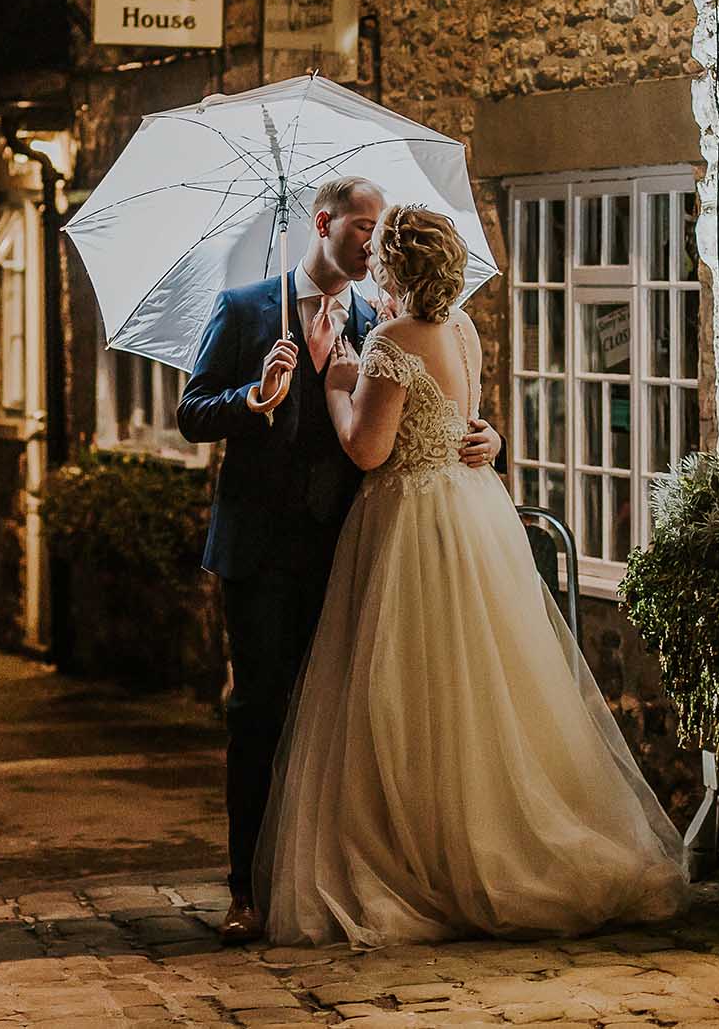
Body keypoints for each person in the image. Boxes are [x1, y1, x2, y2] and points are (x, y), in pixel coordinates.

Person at [255, 204, 688, 948]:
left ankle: (426, 859)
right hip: (471, 514)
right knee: (481, 690)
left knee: (407, 694)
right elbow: (461, 418)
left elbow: (367, 447)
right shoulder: (461, 328)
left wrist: (337, 376)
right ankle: (488, 836)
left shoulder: (391, 340)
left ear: (396, 267)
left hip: (408, 523)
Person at [178, 177, 502, 946]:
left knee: (340, 722)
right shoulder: (246, 307)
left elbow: (422, 416)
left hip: (350, 548)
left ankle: (321, 877)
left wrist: (485, 438)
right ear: (323, 223)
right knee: (257, 713)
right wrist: (254, 398)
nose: (371, 240)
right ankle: (246, 893)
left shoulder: (381, 317)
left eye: (379, 230)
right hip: (260, 549)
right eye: (362, 226)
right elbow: (192, 410)